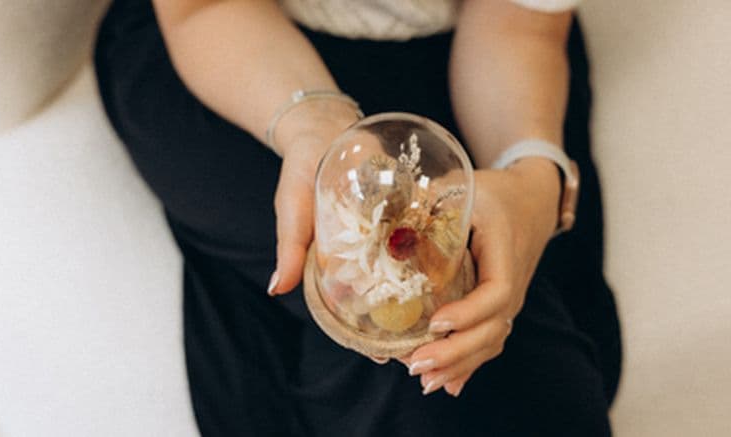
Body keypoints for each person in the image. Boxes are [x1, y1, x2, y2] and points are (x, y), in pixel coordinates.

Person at [94, 0, 622, 435]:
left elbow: (520, 22)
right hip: (235, 47)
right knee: (442, 361)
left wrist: (530, 179)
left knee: (501, 366)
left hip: (479, 60)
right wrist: (315, 128)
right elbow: (203, 8)